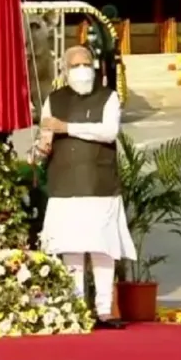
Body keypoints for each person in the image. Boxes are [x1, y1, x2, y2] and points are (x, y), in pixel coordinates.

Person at [35, 45, 137, 330]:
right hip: (64, 184)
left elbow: (109, 131)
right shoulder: (54, 99)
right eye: (75, 65)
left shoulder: (108, 97)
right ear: (65, 71)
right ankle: (77, 308)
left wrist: (67, 127)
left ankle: (104, 310)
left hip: (99, 185)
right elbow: (46, 133)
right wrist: (42, 146)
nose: (82, 70)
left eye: (86, 64)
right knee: (72, 248)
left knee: (102, 248)